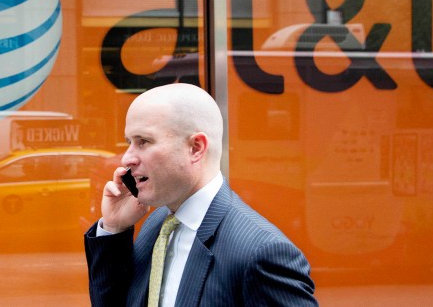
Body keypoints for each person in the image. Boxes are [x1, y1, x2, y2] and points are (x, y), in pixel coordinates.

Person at [84, 83, 317, 306]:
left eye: (143, 141)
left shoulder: (261, 253)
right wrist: (114, 228)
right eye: (129, 142)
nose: (127, 158)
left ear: (196, 148)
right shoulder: (156, 225)